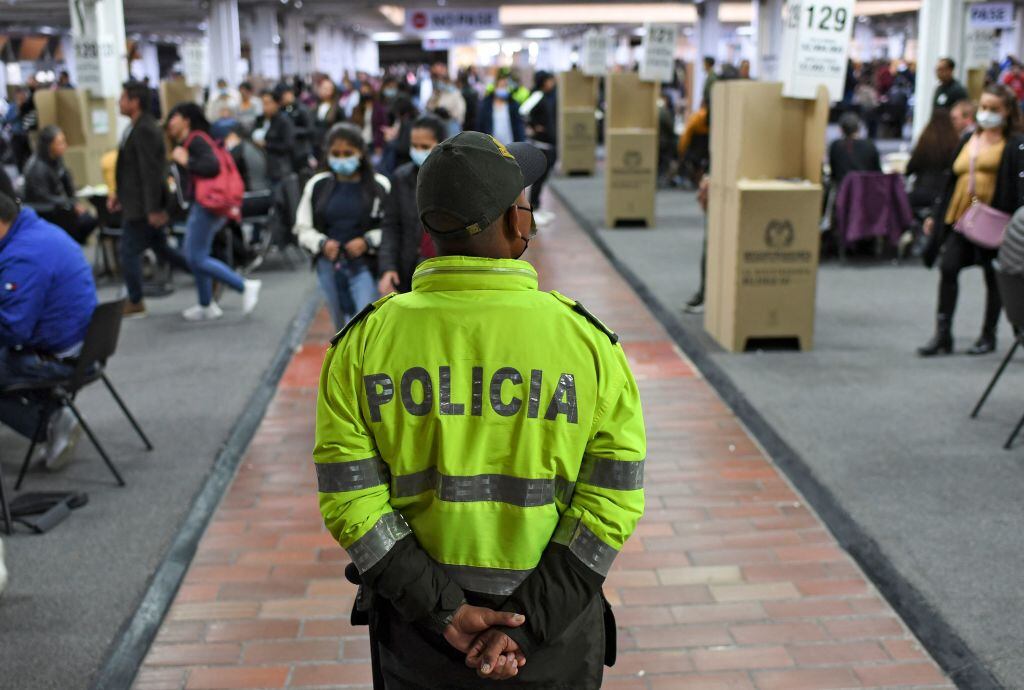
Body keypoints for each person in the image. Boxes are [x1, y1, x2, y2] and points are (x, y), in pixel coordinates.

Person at [314, 130, 645, 688]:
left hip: (420, 643)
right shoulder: (587, 344)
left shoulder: (363, 344)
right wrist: (527, 623)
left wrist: (444, 611)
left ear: (428, 228)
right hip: (554, 641)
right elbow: (612, 498)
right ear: (518, 222)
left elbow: (350, 501)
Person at [919, 85, 1024, 356]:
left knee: (995, 279)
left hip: (996, 222)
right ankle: (943, 334)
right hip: (962, 220)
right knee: (948, 269)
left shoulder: (1014, 144)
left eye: (994, 109)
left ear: (1008, 112)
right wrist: (936, 214)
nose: (987, 113)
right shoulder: (969, 139)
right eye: (984, 107)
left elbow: (1018, 186)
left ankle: (988, 336)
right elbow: (950, 180)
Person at [0, 191, 96, 470]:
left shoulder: (23, 256)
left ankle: (51, 422)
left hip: (62, 356)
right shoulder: (37, 231)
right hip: (84, 344)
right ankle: (53, 413)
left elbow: (12, 329)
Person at [165, 103, 261, 322]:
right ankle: (206, 304)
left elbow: (211, 167)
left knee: (195, 256)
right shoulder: (197, 139)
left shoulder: (197, 140)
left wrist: (185, 160)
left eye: (174, 117)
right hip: (208, 204)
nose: (170, 123)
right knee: (197, 255)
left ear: (186, 120)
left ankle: (243, 286)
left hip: (207, 204)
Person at [293, 123, 388, 330]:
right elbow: (302, 227)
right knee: (340, 329)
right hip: (329, 265)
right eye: (336, 153)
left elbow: (391, 227)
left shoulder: (379, 186)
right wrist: (322, 243)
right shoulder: (318, 185)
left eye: (348, 153)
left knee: (365, 326)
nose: (342, 158)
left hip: (366, 265)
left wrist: (368, 241)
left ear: (361, 152)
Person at [111, 81, 190, 319]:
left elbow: (150, 172)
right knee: (163, 250)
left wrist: (154, 208)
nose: (119, 102)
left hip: (143, 207)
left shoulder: (145, 128)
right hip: (137, 202)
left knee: (128, 251)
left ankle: (135, 301)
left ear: (135, 101)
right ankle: (208, 274)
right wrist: (118, 194)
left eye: (123, 97)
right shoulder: (134, 127)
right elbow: (131, 170)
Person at [377, 115, 445, 296]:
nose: (418, 151)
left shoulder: (453, 179)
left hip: (443, 272)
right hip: (407, 270)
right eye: (414, 146)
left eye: (425, 147)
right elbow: (391, 225)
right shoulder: (401, 177)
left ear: (440, 145)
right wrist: (388, 267)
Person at [23, 125, 98, 244]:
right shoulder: (36, 167)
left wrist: (74, 203)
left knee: (89, 220)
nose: (65, 146)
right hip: (47, 213)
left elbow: (68, 185)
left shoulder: (56, 159)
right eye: (60, 143)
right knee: (81, 223)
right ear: (49, 145)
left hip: (60, 208)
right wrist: (69, 205)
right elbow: (43, 197)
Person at [906, 108, 960, 214]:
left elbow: (910, 168)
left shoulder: (925, 140)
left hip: (921, 192)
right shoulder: (955, 142)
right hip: (944, 195)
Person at [525, 71, 557, 225]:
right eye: (550, 80)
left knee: (544, 177)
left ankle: (537, 206)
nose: (553, 82)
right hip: (541, 144)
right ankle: (532, 209)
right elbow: (523, 111)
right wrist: (533, 126)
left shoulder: (547, 96)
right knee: (539, 177)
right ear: (544, 81)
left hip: (549, 143)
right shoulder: (536, 95)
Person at [828, 112, 882, 189]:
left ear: (841, 130)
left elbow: (833, 173)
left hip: (843, 194)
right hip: (866, 193)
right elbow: (878, 173)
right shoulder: (870, 145)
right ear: (858, 129)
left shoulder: (835, 145)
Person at [254, 89, 297, 184]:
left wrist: (266, 145)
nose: (265, 107)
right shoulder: (259, 120)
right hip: (261, 166)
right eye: (263, 103)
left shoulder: (284, 121)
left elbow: (288, 145)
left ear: (277, 103)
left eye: (268, 103)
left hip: (279, 168)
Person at [478, 76, 526, 146]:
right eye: (501, 86)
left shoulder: (513, 105)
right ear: (495, 87)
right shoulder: (486, 105)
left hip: (510, 145)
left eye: (505, 86)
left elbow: (519, 126)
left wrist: (521, 143)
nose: (503, 89)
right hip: (491, 146)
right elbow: (480, 125)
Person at [277, 83, 314, 173]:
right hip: (288, 152)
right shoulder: (282, 110)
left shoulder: (302, 109)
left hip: (302, 151)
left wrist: (292, 131)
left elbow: (310, 130)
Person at [4, 87, 37, 172]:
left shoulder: (28, 105)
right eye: (20, 94)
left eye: (23, 94)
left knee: (30, 156)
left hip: (27, 135)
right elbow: (7, 119)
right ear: (16, 96)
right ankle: (21, 175)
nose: (22, 96)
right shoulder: (12, 107)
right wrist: (18, 110)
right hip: (16, 135)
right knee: (18, 157)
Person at [313, 78, 344, 163]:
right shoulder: (316, 107)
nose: (324, 91)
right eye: (323, 88)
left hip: (331, 146)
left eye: (327, 89)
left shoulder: (338, 109)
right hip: (317, 146)